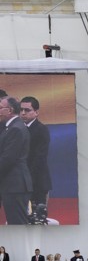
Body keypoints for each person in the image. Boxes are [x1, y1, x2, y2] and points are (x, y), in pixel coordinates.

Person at [0, 95, 32, 224]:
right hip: (12, 185)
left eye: (0, 108)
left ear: (10, 110)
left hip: (15, 186)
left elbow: (7, 160)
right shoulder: (12, 127)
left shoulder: (15, 129)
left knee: (17, 225)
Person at [19, 96, 52, 216]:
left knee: (38, 218)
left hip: (37, 181)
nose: (23, 113)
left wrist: (27, 178)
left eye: (27, 110)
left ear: (36, 112)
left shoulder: (41, 129)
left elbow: (39, 158)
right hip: (19, 182)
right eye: (21, 109)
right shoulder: (16, 129)